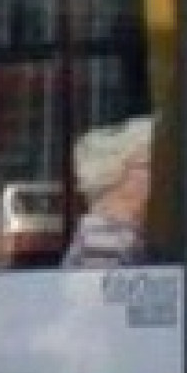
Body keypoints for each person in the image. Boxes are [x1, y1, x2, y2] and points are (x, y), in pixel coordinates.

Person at [60, 114, 153, 269]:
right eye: (148, 164)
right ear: (116, 173)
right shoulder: (101, 240)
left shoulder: (130, 234)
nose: (160, 173)